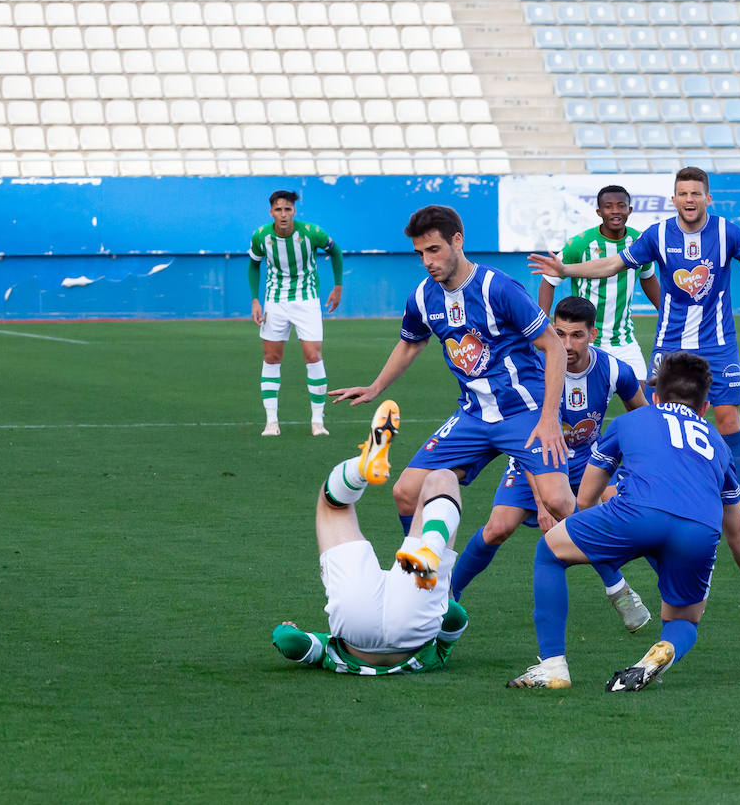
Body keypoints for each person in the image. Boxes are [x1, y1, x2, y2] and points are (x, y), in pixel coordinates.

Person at [529, 166, 740, 537]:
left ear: (708, 198)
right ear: (674, 199)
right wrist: (566, 268)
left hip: (718, 343)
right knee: (660, 422)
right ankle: (662, 497)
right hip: (671, 343)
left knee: (727, 420)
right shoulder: (658, 235)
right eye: (683, 194)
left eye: (696, 193)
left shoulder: (727, 232)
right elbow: (613, 263)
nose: (689, 200)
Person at [507, 351, 740, 691]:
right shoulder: (718, 444)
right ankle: (665, 649)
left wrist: (601, 550)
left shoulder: (628, 422)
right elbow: (737, 534)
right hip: (699, 530)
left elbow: (585, 497)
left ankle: (552, 667)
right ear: (705, 407)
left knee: (549, 552)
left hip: (637, 513)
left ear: (654, 397)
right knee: (684, 620)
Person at [330, 205, 576, 547]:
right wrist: (375, 387)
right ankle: (426, 583)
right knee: (405, 492)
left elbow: (555, 347)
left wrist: (549, 417)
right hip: (473, 415)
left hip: (525, 411)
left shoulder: (498, 288)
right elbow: (410, 345)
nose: (427, 261)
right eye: (420, 253)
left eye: (434, 249)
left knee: (559, 503)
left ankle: (617, 579)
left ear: (457, 241)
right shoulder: (421, 297)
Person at [450, 296, 653, 632]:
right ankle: (448, 592)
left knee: (638, 516)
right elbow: (524, 439)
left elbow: (643, 420)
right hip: (534, 459)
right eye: (559, 334)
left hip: (591, 462)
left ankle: (668, 593)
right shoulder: (533, 371)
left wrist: (641, 466)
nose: (567, 344)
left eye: (576, 335)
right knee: (497, 529)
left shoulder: (616, 369)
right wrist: (542, 502)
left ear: (593, 333)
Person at [271, 399, 471, 675]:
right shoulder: (334, 658)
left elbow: (454, 615)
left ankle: (429, 546)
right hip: (357, 621)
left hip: (405, 627)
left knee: (443, 480)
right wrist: (285, 628)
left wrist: (441, 614)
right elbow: (289, 642)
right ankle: (361, 470)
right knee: (334, 505)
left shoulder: (432, 658)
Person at [537, 184, 662, 385]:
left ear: (629, 210)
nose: (615, 211)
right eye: (608, 206)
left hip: (623, 340)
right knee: (576, 401)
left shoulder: (639, 242)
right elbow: (549, 281)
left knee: (640, 400)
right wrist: (542, 324)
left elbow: (648, 278)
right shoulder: (579, 244)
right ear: (599, 211)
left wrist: (666, 313)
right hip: (584, 339)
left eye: (621, 206)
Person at [249, 189, 343, 437]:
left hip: (306, 300)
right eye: (278, 209)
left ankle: (317, 422)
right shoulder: (261, 236)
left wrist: (338, 286)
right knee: (271, 357)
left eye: (287, 209)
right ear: (271, 212)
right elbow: (253, 264)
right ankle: (271, 422)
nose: (283, 214)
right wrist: (255, 300)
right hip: (275, 302)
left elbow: (336, 251)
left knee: (313, 355)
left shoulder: (312, 233)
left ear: (294, 211)